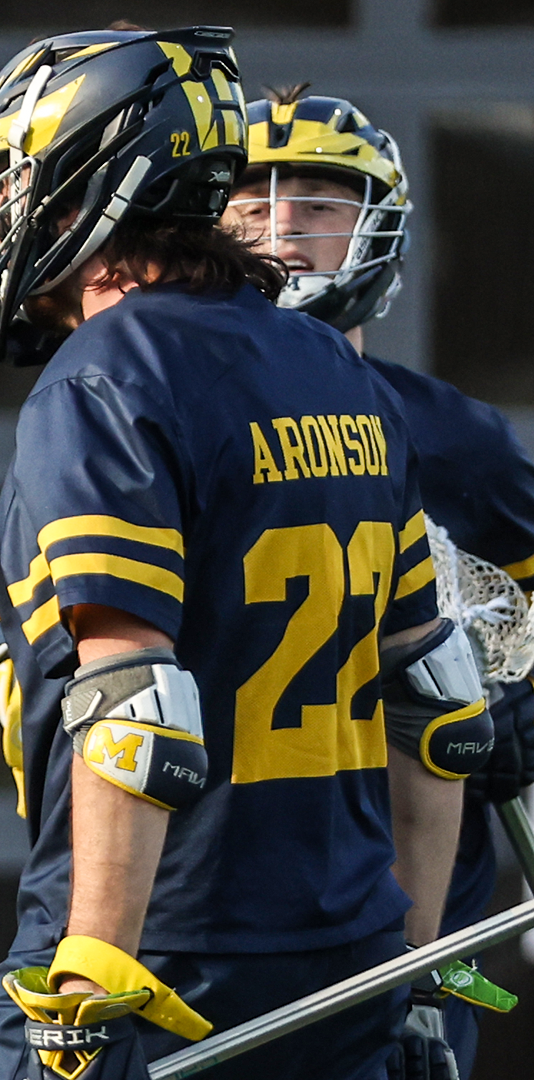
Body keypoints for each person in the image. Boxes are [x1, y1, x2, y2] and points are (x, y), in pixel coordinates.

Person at [0, 26, 491, 1080]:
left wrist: (90, 990)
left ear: (97, 180)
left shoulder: (106, 375)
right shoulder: (333, 365)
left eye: (17, 183)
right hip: (349, 971)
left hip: (168, 971)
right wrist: (411, 981)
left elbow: (134, 701)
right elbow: (437, 697)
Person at [225, 84, 534, 1079]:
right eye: (247, 203)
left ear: (377, 226)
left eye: (317, 202)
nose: (280, 229)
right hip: (213, 890)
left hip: (404, 903)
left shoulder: (457, 442)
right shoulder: (164, 415)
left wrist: (519, 700)